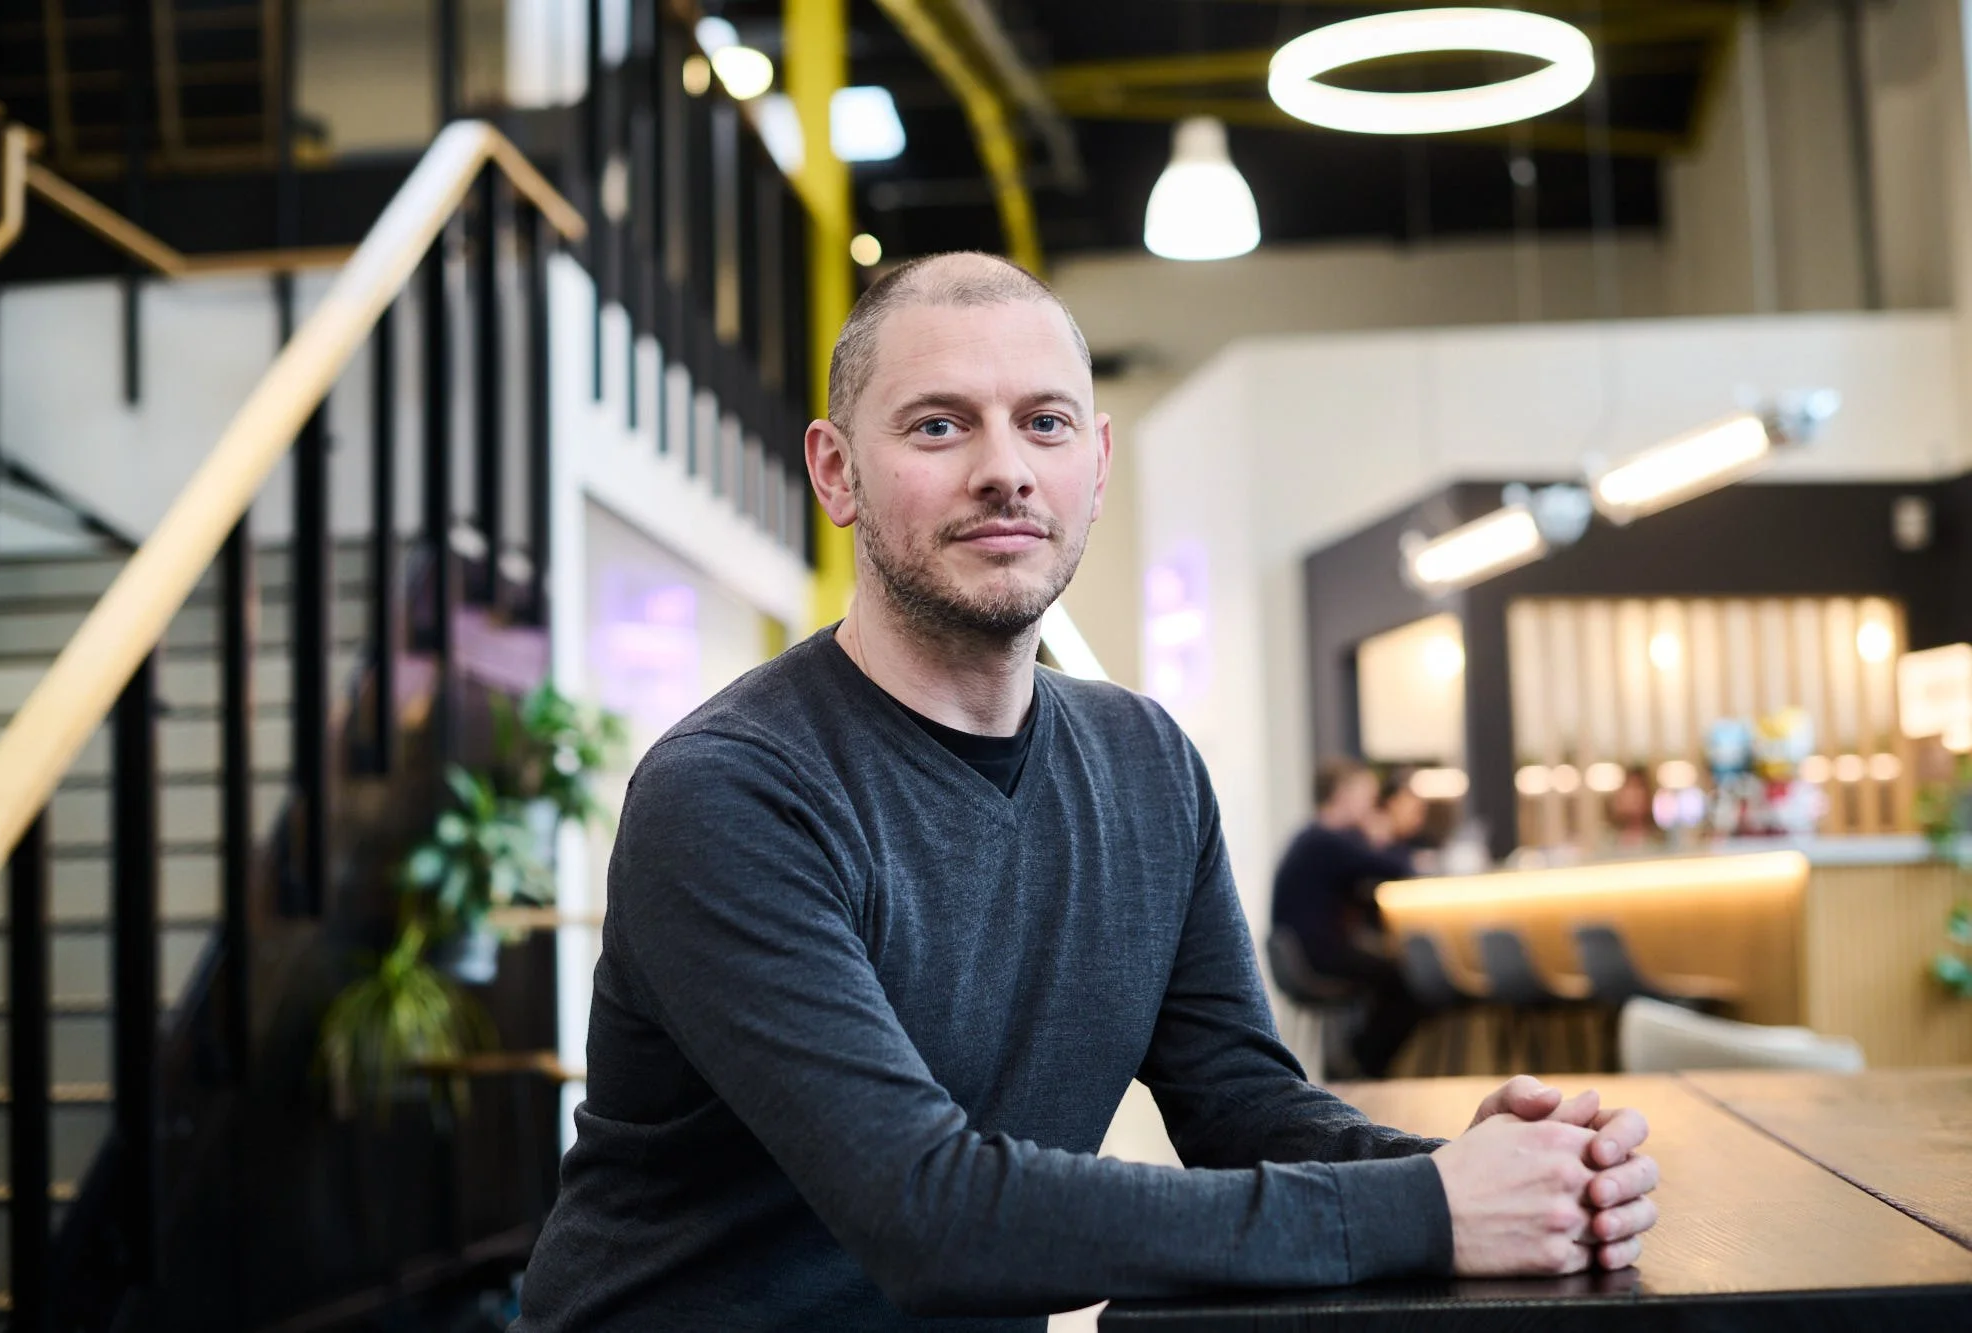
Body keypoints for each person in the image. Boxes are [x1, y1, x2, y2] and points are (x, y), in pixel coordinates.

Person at [514, 253, 1657, 1330]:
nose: (1003, 466)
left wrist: (1492, 1173)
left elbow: (1239, 1106)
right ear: (834, 471)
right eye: (937, 423)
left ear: (1095, 466)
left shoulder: (1145, 761)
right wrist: (1432, 1212)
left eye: (1043, 422)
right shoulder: (729, 794)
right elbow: (929, 1214)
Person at [1270, 760, 1426, 1077]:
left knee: (1394, 974)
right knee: (1407, 980)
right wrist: (1381, 836)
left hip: (1309, 952)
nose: (1372, 805)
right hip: (1319, 957)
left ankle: (1360, 1059)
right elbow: (1394, 866)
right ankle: (1363, 1064)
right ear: (1344, 795)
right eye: (1366, 796)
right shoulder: (1328, 840)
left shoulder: (1315, 837)